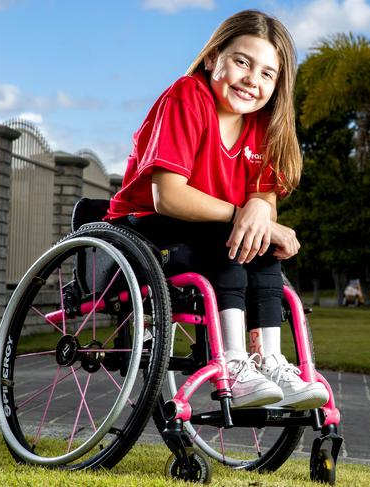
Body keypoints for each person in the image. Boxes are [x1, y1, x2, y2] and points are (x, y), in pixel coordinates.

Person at [106, 10, 328, 410]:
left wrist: (261, 213)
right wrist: (244, 213)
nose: (252, 80)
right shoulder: (187, 96)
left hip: (209, 229)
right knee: (232, 239)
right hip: (143, 230)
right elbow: (168, 197)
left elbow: (265, 201)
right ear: (213, 58)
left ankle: (269, 362)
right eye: (243, 62)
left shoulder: (262, 125)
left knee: (258, 244)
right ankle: (232, 362)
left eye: (267, 74)